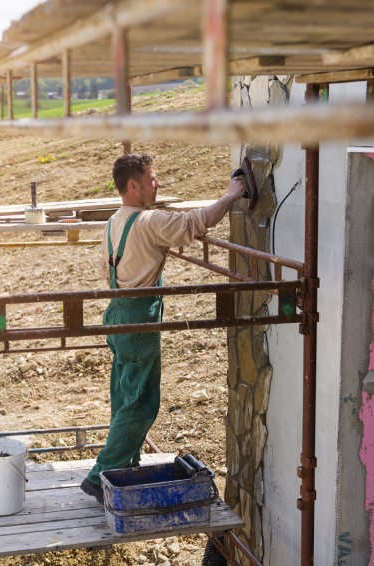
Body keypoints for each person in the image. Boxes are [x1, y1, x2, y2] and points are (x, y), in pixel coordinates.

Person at [80, 153, 245, 503]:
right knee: (141, 402)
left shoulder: (114, 222)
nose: (158, 184)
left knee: (124, 393)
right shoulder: (148, 222)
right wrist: (232, 195)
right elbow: (197, 222)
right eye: (152, 179)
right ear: (133, 185)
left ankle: (124, 462)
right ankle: (99, 476)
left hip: (117, 313)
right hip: (139, 317)